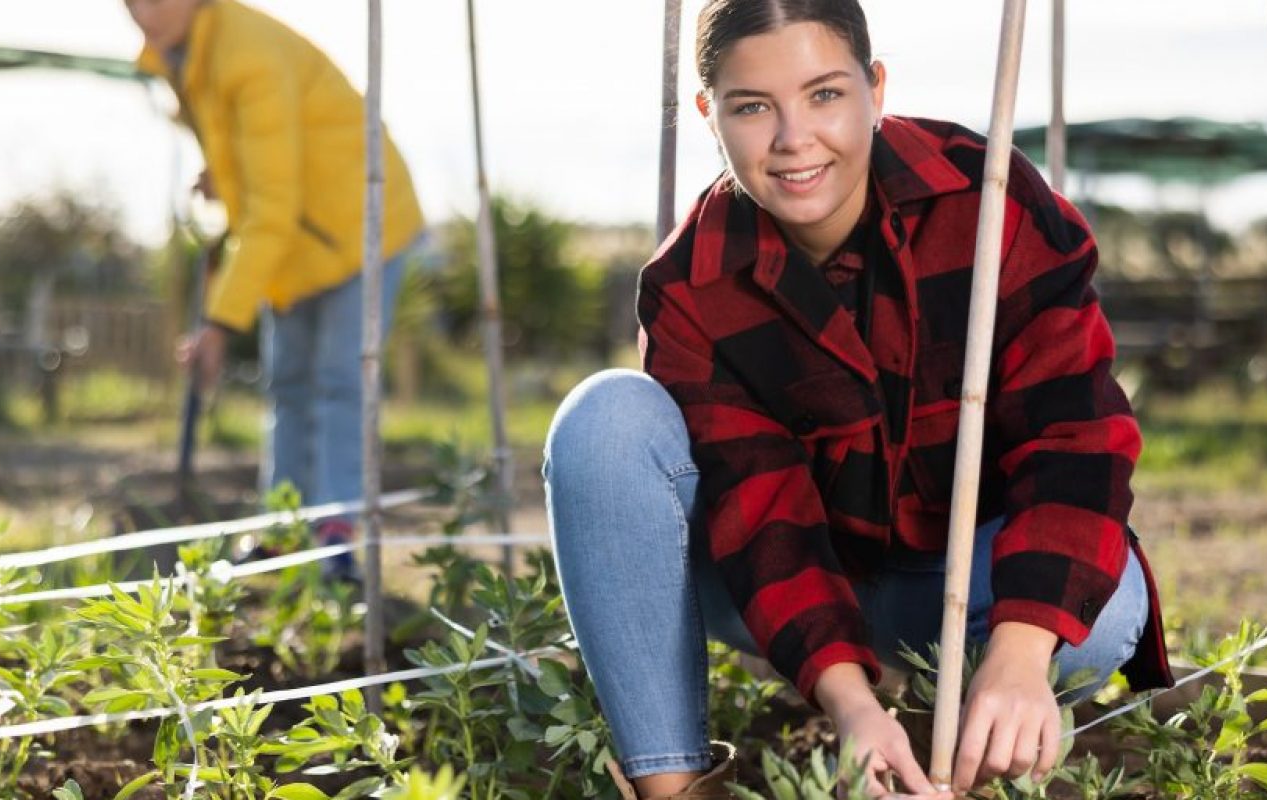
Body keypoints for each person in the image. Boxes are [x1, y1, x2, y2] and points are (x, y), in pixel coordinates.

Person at [542, 1, 1173, 797]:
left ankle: (964, 729)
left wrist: (1018, 653)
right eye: (752, 107)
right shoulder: (691, 284)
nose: (794, 138)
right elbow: (758, 507)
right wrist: (848, 703)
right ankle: (675, 789)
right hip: (783, 587)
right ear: (709, 114)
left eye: (825, 95)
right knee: (603, 419)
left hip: (966, 584)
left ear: (875, 89)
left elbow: (1074, 436)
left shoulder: (986, 201)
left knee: (1101, 613)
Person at [125, 0, 426, 576]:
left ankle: (336, 533)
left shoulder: (247, 53)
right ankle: (285, 527)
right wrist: (223, 176)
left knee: (340, 381)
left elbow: (272, 210)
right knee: (286, 384)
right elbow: (255, 150)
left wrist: (218, 325)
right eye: (131, 1)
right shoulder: (185, 56)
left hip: (358, 225)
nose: (144, 12)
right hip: (295, 238)